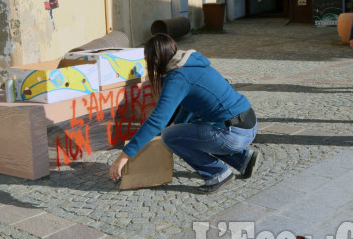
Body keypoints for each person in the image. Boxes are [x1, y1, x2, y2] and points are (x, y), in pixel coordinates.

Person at [108, 33, 259, 193]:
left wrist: (123, 157)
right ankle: (243, 159)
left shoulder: (177, 77)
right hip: (248, 124)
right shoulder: (191, 64)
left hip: (232, 133)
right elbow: (189, 105)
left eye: (147, 58)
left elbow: (157, 121)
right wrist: (177, 124)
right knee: (184, 132)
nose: (146, 63)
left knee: (169, 136)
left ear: (155, 59)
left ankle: (218, 174)